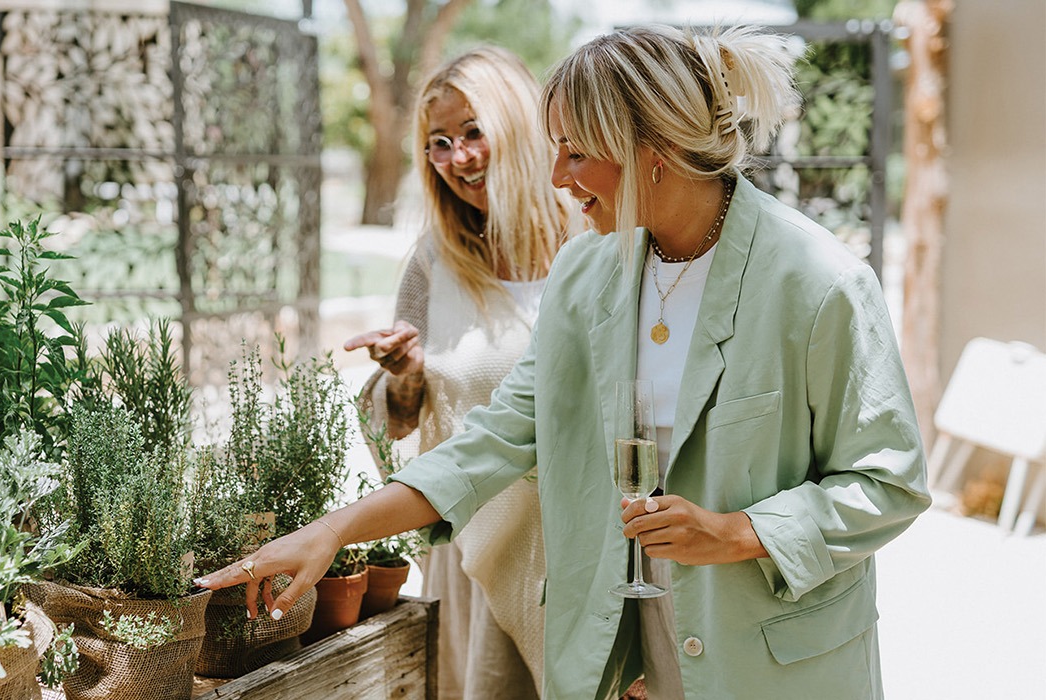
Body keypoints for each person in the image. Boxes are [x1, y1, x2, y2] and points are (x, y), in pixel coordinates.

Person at [196, 25, 930, 700]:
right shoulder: (588, 274)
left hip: (772, 667)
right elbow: (495, 440)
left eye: (575, 151)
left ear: (652, 149)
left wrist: (742, 532)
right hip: (626, 661)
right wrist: (330, 531)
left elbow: (889, 481)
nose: (554, 176)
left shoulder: (818, 281)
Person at [341, 46, 573, 700]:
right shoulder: (432, 263)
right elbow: (399, 420)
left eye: (474, 132)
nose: (459, 157)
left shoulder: (595, 236)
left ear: (520, 126)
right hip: (480, 553)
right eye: (439, 143)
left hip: (587, 549)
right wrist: (407, 378)